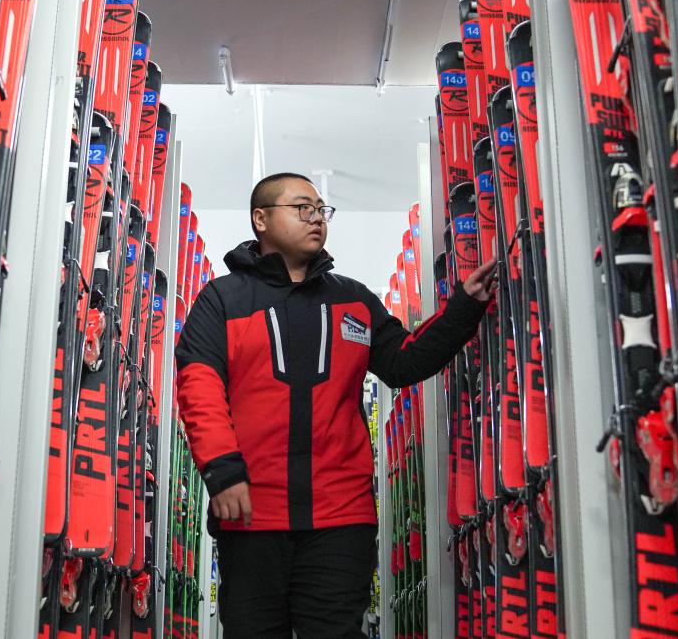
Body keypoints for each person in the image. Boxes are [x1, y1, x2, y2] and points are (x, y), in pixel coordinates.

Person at [175, 172, 496, 638]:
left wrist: (464, 307)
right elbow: (199, 386)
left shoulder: (354, 300)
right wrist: (222, 472)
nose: (316, 218)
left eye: (321, 210)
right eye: (301, 208)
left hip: (341, 516)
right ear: (261, 219)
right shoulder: (223, 299)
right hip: (250, 513)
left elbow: (403, 362)